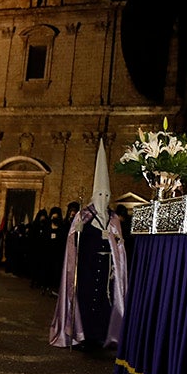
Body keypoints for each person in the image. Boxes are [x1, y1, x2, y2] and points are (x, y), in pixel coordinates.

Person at [50, 142, 127, 351]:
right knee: (86, 299)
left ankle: (102, 334)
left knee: (103, 300)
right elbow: (72, 240)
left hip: (106, 269)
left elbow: (120, 245)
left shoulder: (113, 219)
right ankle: (82, 334)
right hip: (87, 266)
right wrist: (78, 232)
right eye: (100, 195)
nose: (103, 199)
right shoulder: (84, 216)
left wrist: (114, 239)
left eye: (106, 195)